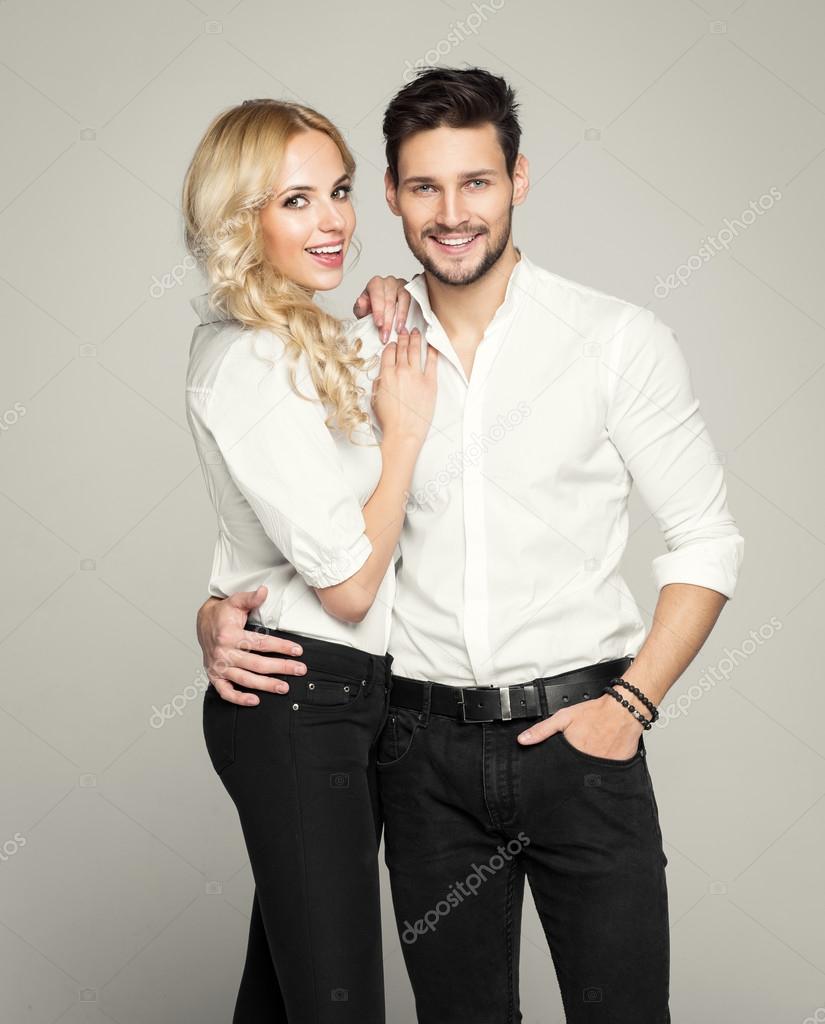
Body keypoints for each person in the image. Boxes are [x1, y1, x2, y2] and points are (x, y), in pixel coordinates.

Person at [197, 68, 745, 1024]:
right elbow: (287, 525)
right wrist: (216, 611)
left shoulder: (614, 340)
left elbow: (707, 539)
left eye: (476, 182)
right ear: (393, 197)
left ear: (519, 179)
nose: (451, 213)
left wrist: (631, 704)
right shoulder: (354, 348)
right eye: (423, 187)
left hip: (584, 741)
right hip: (416, 753)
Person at [182, 97, 437, 1023]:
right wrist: (403, 438)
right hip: (301, 700)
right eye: (296, 201)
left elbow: (259, 539)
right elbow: (348, 584)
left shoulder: (300, 341)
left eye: (337, 190)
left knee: (287, 997)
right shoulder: (249, 360)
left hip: (344, 701)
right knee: (336, 1004)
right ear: (241, 219)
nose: (332, 221)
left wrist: (387, 297)